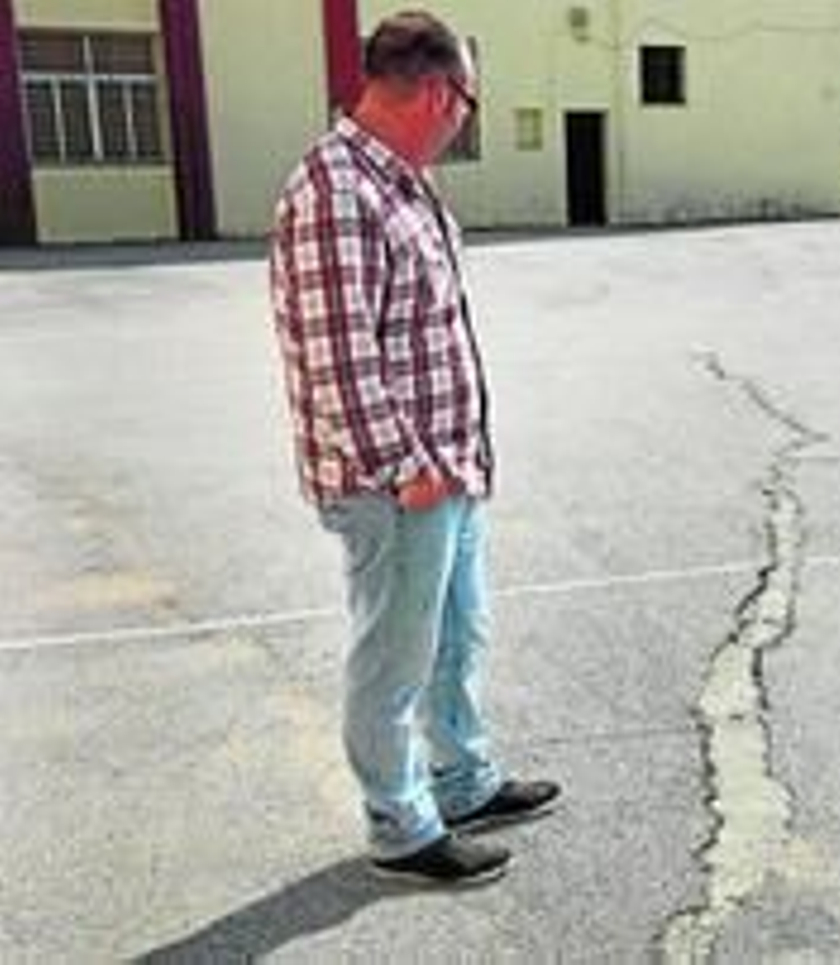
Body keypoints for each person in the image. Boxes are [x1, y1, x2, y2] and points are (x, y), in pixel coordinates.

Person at [269, 9, 558, 886]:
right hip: (398, 481)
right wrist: (406, 469)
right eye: (469, 103)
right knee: (394, 657)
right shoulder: (337, 189)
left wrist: (451, 463)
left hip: (446, 466)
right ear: (439, 93)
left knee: (457, 634)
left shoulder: (398, 182)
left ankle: (462, 779)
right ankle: (400, 823)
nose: (464, 120)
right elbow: (339, 357)